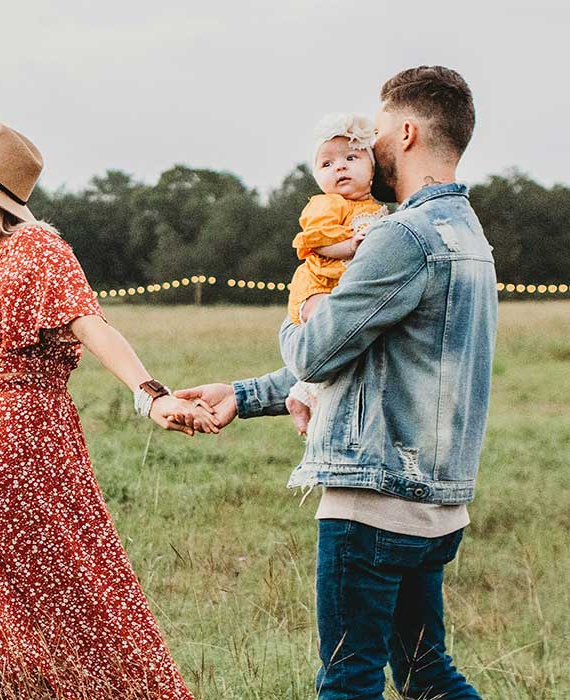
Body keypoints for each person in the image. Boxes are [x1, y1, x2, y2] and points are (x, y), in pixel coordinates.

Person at [176, 66, 492, 700]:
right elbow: (373, 354)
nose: (369, 146)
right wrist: (244, 394)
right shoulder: (466, 234)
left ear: (404, 132)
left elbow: (319, 353)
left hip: (374, 495)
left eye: (375, 131)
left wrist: (301, 309)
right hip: (436, 498)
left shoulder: (402, 236)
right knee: (428, 675)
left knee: (347, 681)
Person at [0, 121, 210, 699]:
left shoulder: (36, 248)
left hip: (22, 450)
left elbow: (92, 324)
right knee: (0, 600)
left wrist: (150, 393)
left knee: (69, 597)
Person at [284, 112, 389, 431]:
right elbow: (316, 242)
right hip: (317, 286)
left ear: (372, 167)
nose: (339, 167)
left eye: (351, 157)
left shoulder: (377, 209)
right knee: (328, 332)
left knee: (346, 342)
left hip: (342, 289)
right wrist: (350, 246)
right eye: (326, 164)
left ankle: (303, 394)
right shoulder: (327, 204)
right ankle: (304, 395)